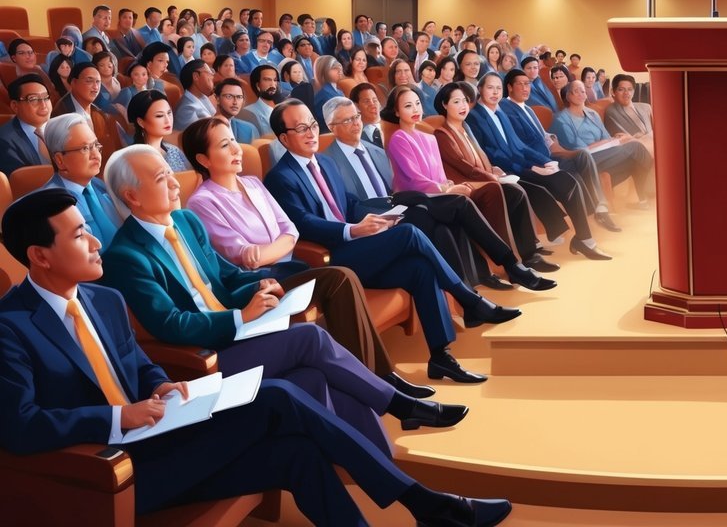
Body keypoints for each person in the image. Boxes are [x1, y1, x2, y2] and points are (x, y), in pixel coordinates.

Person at [0, 188, 513, 527]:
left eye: (89, 228)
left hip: (160, 434)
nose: (94, 242)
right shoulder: (10, 325)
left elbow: (138, 362)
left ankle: (424, 505)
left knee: (297, 450)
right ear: (39, 256)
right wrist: (116, 417)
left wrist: (158, 385)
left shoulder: (102, 299)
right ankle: (425, 502)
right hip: (113, 473)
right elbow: (19, 426)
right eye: (78, 235)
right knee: (279, 394)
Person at [100, 146, 469, 454]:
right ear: (132, 195)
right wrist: (240, 318)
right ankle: (399, 405)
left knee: (312, 374)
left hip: (238, 328)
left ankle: (378, 458)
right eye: (162, 178)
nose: (174, 183)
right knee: (311, 339)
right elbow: (170, 323)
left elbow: (227, 275)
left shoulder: (185, 222)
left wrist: (261, 285)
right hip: (205, 355)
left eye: (170, 172)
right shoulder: (125, 255)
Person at [264, 99, 521, 382]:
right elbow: (303, 222)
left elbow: (347, 203)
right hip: (332, 259)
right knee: (410, 233)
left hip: (358, 244)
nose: (311, 132)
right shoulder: (280, 177)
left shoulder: (323, 161)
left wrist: (379, 218)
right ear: (284, 137)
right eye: (301, 128)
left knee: (419, 269)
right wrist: (352, 230)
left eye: (312, 125)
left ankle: (441, 357)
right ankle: (468, 298)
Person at [181, 117, 432, 398]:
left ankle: (379, 380)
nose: (237, 150)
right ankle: (380, 382)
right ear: (203, 158)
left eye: (234, 141)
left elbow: (290, 230)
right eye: (225, 145)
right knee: (340, 276)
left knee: (346, 277)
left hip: (289, 268)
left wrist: (265, 250)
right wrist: (272, 248)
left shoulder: (253, 183)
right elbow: (244, 257)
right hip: (259, 283)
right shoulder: (202, 202)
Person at [324, 93, 556, 290]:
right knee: (460, 206)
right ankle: (504, 268)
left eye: (356, 117)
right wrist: (447, 189)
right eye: (347, 121)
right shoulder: (330, 161)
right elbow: (410, 182)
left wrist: (449, 186)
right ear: (330, 127)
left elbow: (412, 182)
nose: (356, 123)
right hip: (396, 209)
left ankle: (489, 276)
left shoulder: (376, 150)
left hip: (410, 203)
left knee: (464, 209)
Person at [420, 84, 558, 285]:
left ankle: (530, 254)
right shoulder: (443, 134)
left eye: (465, 101)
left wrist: (493, 170)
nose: (463, 105)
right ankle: (513, 265)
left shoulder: (466, 129)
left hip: (482, 179)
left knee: (516, 191)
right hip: (467, 186)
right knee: (496, 189)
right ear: (444, 105)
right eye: (456, 101)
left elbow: (480, 159)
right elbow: (464, 167)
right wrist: (490, 177)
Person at [466, 74, 608, 261]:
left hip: (520, 165)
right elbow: (493, 155)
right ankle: (568, 236)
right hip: (506, 170)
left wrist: (544, 160)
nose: (495, 92)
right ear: (480, 90)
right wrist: (532, 167)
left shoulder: (499, 113)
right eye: (490, 88)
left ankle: (585, 239)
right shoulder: (475, 117)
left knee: (567, 180)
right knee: (552, 182)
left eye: (498, 88)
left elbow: (518, 145)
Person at [500, 65, 620, 231]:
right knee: (576, 171)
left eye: (527, 84)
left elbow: (544, 135)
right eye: (520, 84)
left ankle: (600, 207)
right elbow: (518, 144)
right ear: (509, 87)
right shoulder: (505, 109)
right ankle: (593, 217)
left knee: (583, 156)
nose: (525, 88)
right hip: (537, 160)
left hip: (550, 154)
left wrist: (553, 142)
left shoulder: (527, 108)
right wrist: (547, 158)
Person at [551, 79, 655, 207]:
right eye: (576, 91)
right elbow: (580, 150)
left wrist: (614, 139)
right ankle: (647, 194)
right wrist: (609, 142)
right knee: (636, 147)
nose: (581, 94)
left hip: (603, 154)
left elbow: (605, 136)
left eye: (583, 91)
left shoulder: (592, 114)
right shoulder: (561, 119)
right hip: (582, 160)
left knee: (635, 157)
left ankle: (642, 200)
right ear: (567, 95)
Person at [40, 114, 122, 246]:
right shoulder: (50, 205)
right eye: (85, 148)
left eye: (96, 145)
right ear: (60, 160)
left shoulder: (105, 186)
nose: (96, 155)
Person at [126, 90, 189, 173]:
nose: (168, 120)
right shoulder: (134, 159)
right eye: (159, 116)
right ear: (141, 122)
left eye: (169, 113)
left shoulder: (174, 151)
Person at [603, 74, 655, 153]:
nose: (626, 93)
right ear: (613, 91)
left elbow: (660, 132)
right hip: (639, 152)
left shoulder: (646, 107)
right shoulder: (611, 111)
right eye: (621, 89)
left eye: (630, 89)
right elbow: (624, 139)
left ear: (634, 92)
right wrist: (649, 136)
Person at [239, 63, 282, 137]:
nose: (272, 85)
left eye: (275, 80)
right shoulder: (248, 112)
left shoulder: (285, 107)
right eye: (267, 80)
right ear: (257, 85)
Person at [213, 77, 260, 144]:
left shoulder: (249, 129)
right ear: (217, 99)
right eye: (229, 96)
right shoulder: (206, 128)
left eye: (239, 97)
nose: (235, 102)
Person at [174, 59, 217, 128]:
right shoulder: (186, 111)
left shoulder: (202, 96)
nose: (213, 75)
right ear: (196, 76)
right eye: (209, 72)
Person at [312, 55, 345, 132]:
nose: (339, 70)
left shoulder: (338, 91)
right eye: (334, 68)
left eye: (338, 66)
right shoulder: (324, 95)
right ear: (323, 71)